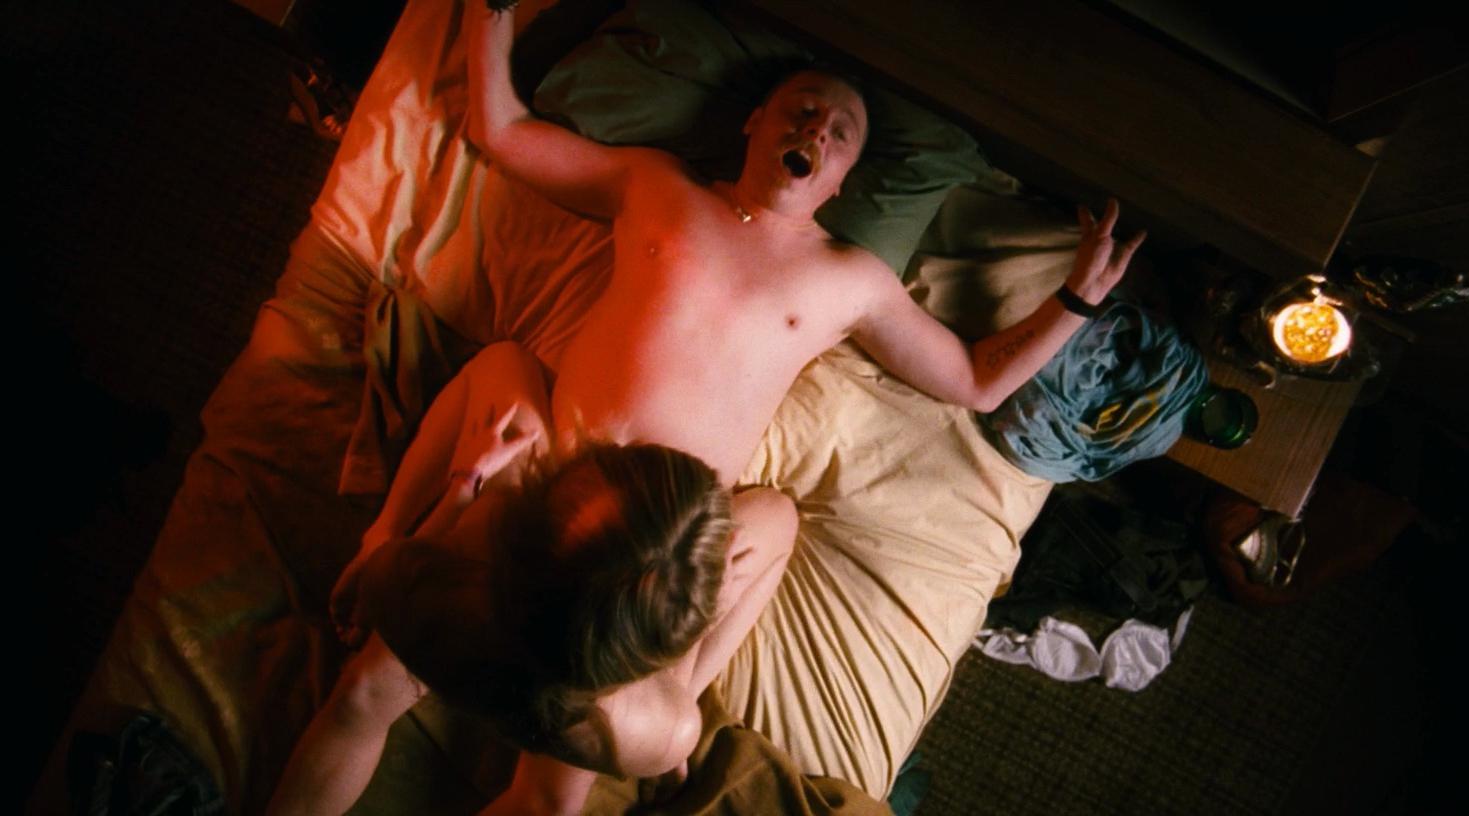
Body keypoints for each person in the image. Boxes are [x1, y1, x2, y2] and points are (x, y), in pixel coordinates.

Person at [272, 0, 1147, 810]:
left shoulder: (849, 279)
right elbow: (502, 131)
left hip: (658, 560)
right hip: (547, 488)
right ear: (754, 123)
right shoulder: (657, 186)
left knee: (560, 789)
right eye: (802, 108)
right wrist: (488, 13)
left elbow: (976, 380)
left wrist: (1075, 301)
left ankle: (674, 684)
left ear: (843, 179)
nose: (817, 127)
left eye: (841, 132)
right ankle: (386, 541)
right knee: (364, 691)